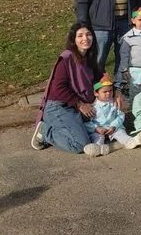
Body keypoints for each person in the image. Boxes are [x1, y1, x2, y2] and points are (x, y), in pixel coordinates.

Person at [32, 23, 102, 154]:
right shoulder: (66, 59)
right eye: (80, 35)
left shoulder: (89, 58)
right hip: (59, 106)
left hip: (76, 106)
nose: (85, 38)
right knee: (81, 144)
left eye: (88, 34)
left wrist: (116, 92)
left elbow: (101, 79)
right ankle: (45, 130)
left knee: (104, 125)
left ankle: (67, 128)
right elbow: (59, 88)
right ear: (73, 40)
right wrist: (80, 104)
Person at [83, 75, 141, 157]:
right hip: (99, 130)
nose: (108, 94)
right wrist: (96, 128)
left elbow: (120, 115)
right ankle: (97, 147)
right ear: (96, 93)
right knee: (98, 138)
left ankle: (131, 141)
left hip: (114, 128)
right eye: (105, 92)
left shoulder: (114, 103)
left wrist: (114, 126)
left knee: (121, 133)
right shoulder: (93, 107)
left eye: (110, 91)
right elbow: (88, 122)